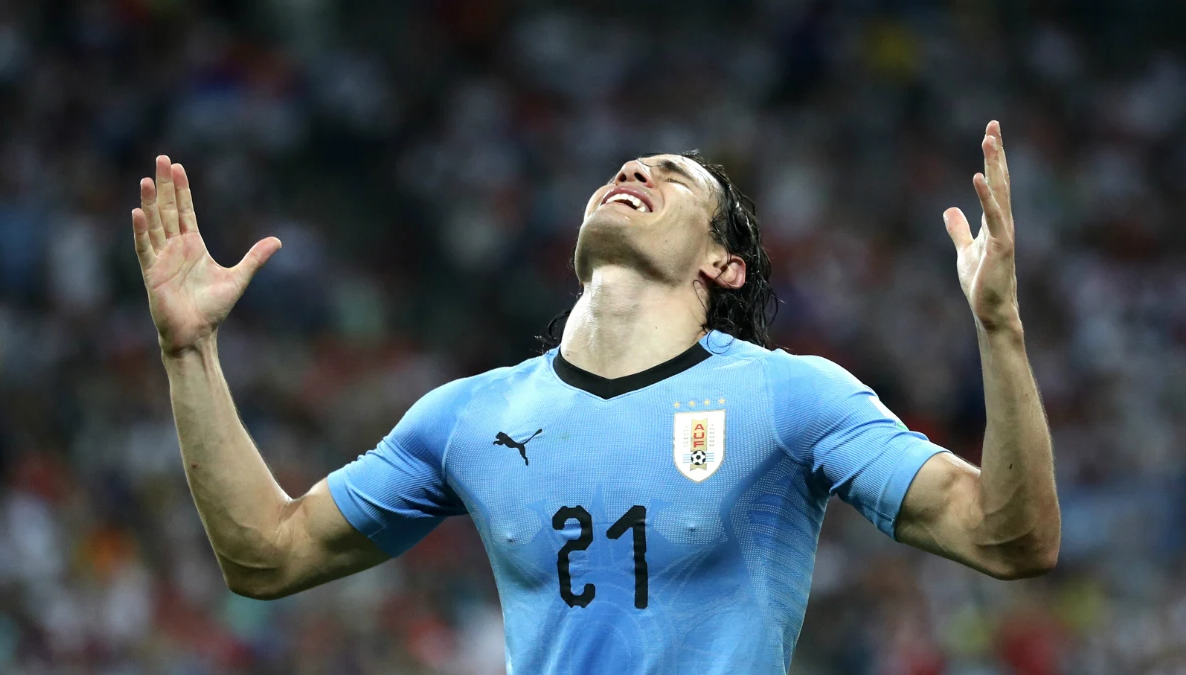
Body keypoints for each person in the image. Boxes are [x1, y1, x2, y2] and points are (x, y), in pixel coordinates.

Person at [129, 120, 1059, 674]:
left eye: (673, 175)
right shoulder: (465, 417)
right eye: (624, 167)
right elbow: (265, 554)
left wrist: (1000, 330)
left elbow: (1010, 537)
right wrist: (189, 351)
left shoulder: (789, 396)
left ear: (720, 261)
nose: (633, 172)